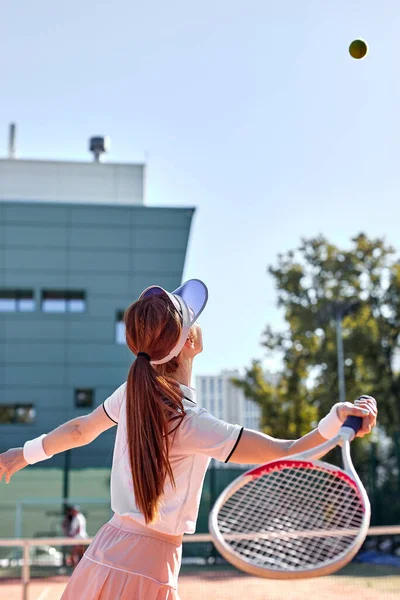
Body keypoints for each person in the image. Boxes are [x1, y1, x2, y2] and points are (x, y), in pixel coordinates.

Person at [0, 279, 377, 599]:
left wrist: (24, 453)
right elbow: (290, 452)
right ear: (189, 342)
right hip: (150, 563)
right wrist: (334, 423)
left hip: (106, 548)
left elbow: (81, 429)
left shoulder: (133, 393)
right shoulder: (192, 422)